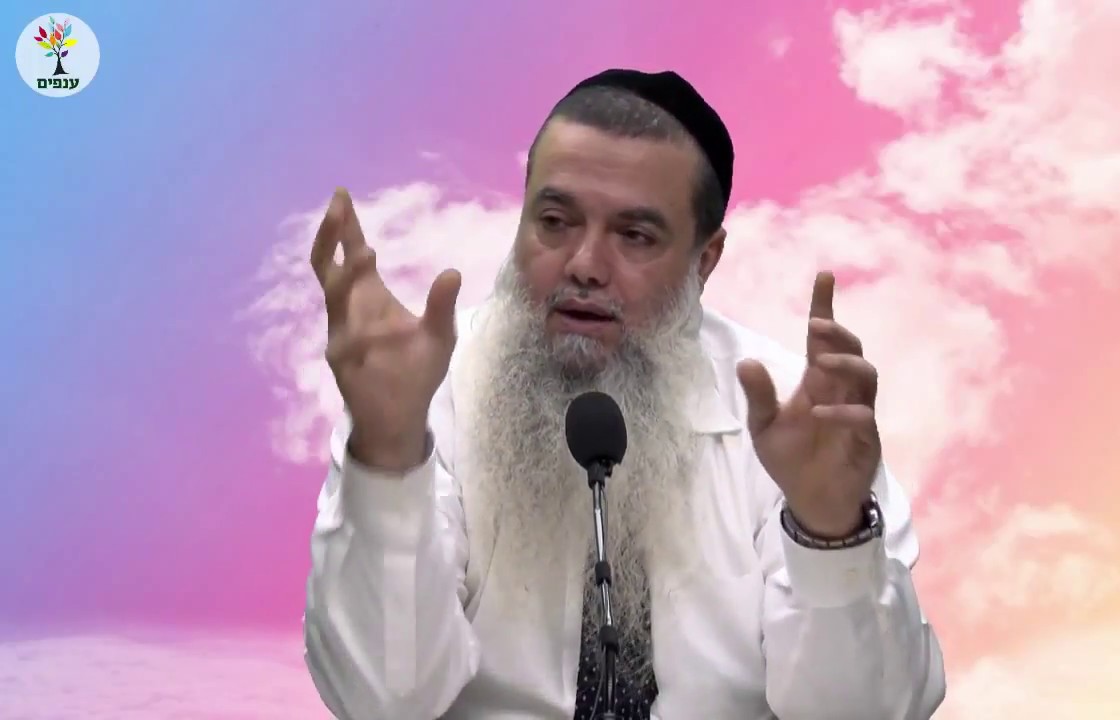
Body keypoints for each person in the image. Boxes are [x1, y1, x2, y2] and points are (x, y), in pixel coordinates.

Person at [302, 68, 946, 720]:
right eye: (555, 221)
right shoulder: (423, 392)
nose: (584, 264)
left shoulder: (798, 420)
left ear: (704, 260)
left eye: (634, 236)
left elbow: (861, 713)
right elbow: (384, 699)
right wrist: (388, 453)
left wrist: (829, 532)